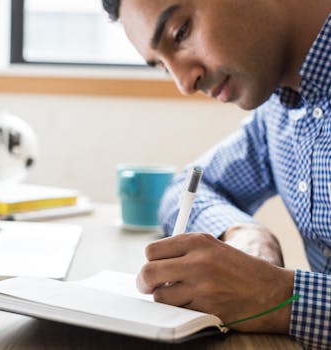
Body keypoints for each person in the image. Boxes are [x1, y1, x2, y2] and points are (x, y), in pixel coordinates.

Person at [102, 0, 331, 348]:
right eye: (163, 67)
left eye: (181, 32)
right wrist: (247, 235)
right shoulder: (278, 114)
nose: (184, 83)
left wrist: (277, 295)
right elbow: (187, 187)